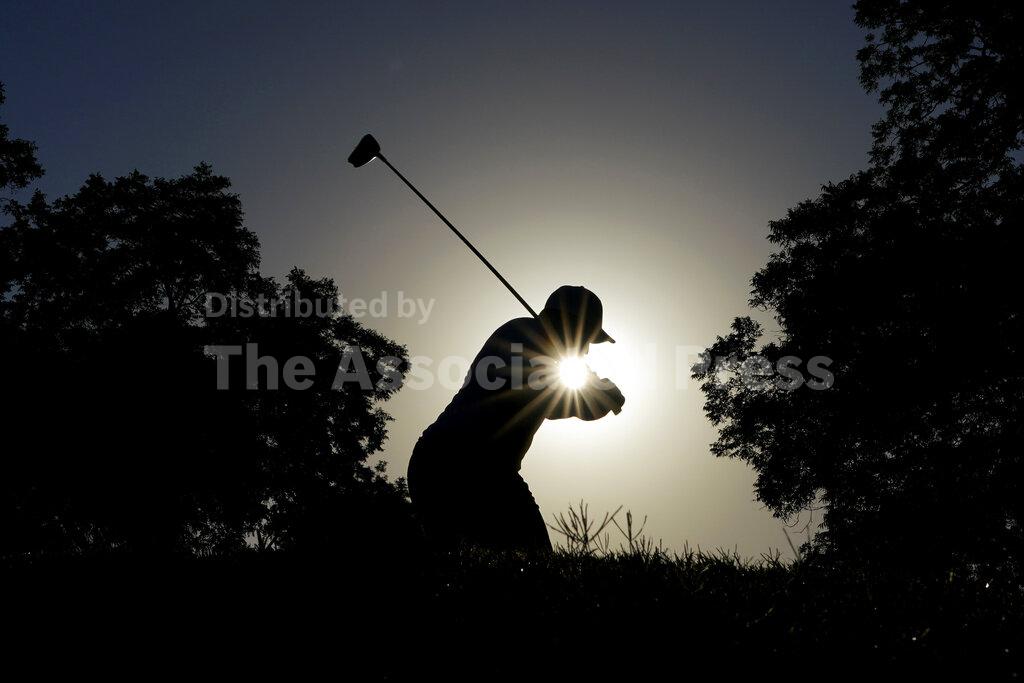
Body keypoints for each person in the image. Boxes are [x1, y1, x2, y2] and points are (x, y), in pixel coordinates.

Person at [407, 285, 625, 552]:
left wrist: (597, 394)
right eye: (586, 339)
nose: (586, 351)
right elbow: (560, 402)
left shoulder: (533, 343)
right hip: (458, 466)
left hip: (468, 467)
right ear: (571, 326)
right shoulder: (522, 337)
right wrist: (602, 395)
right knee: (532, 562)